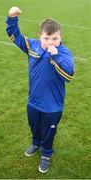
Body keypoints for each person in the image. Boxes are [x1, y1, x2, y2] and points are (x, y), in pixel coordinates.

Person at [6, 7, 75, 173]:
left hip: (52, 107)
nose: (50, 42)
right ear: (40, 36)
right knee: (34, 126)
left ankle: (46, 154)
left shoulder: (64, 53)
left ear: (60, 37)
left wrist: (55, 55)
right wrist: (11, 18)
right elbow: (16, 37)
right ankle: (36, 143)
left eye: (55, 38)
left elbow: (69, 75)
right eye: (46, 38)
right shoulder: (33, 46)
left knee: (48, 132)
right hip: (33, 101)